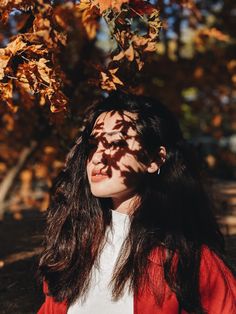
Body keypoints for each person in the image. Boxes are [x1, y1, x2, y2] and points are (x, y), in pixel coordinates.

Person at [37, 91, 236, 314]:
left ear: (154, 159)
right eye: (93, 144)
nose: (98, 156)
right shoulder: (71, 249)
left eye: (116, 142)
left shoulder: (188, 260)